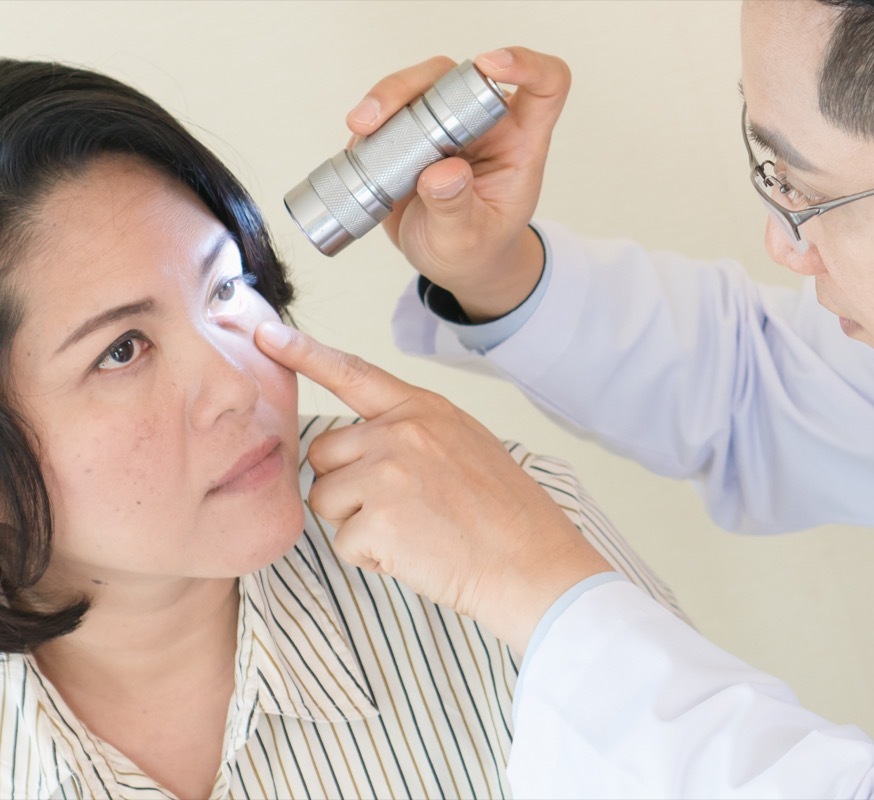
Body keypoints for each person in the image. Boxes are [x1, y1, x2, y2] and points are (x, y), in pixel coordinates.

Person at [257, 0, 874, 796]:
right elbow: (758, 387)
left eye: (803, 189)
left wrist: (533, 581)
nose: (784, 241)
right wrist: (496, 268)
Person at [0, 58, 680, 799]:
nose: (237, 384)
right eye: (121, 350)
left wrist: (567, 608)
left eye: (227, 286)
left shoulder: (508, 537)